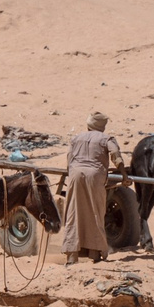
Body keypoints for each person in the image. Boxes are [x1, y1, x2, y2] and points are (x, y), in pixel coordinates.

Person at [60, 112, 120, 263]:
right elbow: (116, 155)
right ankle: (94, 253)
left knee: (73, 212)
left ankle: (71, 255)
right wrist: (124, 175)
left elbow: (69, 159)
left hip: (75, 175)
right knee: (96, 211)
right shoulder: (107, 138)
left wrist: (73, 173)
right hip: (95, 176)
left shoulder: (76, 138)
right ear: (103, 127)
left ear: (88, 125)